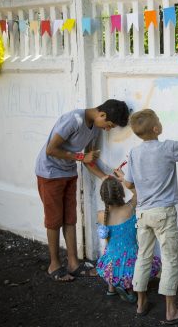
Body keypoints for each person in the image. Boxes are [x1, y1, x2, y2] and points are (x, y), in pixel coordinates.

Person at [123, 107, 178, 322]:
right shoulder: (167, 148)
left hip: (142, 213)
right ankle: (171, 311)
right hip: (163, 213)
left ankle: (141, 304)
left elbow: (129, 182)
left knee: (143, 257)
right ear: (156, 127)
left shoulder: (134, 153)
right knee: (170, 260)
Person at [35, 99, 129, 282]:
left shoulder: (95, 127)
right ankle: (54, 264)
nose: (108, 129)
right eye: (109, 125)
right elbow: (51, 149)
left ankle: (73, 263)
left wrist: (104, 177)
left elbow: (88, 160)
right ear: (102, 115)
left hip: (68, 172)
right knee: (54, 220)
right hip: (50, 172)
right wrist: (80, 156)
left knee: (70, 218)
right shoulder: (74, 119)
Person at [96, 175, 161, 303]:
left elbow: (107, 240)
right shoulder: (130, 208)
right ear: (120, 193)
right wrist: (124, 179)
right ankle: (130, 291)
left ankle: (112, 288)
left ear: (103, 196)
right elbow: (139, 193)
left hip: (110, 267)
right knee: (134, 267)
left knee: (112, 254)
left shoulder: (101, 215)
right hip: (131, 263)